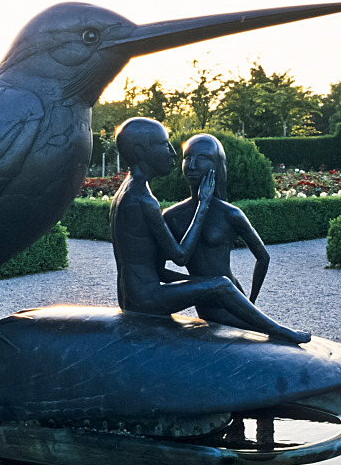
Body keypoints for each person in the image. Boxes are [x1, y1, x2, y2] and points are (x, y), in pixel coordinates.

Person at [111, 118, 310, 343]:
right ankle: (279, 331)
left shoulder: (128, 191)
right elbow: (180, 256)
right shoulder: (145, 200)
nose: (173, 154)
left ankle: (266, 325)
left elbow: (262, 257)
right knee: (222, 285)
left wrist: (201, 286)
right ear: (141, 150)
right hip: (145, 299)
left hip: (132, 296)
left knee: (219, 286)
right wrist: (203, 205)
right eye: (165, 144)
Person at [163, 134, 308, 339]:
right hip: (209, 302)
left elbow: (263, 257)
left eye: (202, 158)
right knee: (261, 333)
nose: (192, 165)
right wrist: (198, 284)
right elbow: (158, 271)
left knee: (261, 335)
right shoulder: (172, 216)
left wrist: (250, 301)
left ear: (217, 165)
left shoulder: (230, 214)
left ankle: (278, 330)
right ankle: (278, 330)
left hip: (232, 294)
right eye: (187, 157)